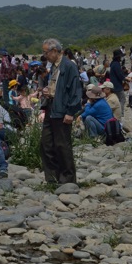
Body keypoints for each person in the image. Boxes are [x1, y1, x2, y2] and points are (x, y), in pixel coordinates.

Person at [39, 38, 80, 185]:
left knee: (62, 145)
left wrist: (70, 112)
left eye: (46, 52)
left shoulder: (68, 66)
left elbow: (75, 90)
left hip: (63, 110)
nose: (45, 55)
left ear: (55, 51)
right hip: (51, 107)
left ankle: (67, 179)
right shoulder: (54, 66)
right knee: (46, 143)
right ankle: (53, 177)